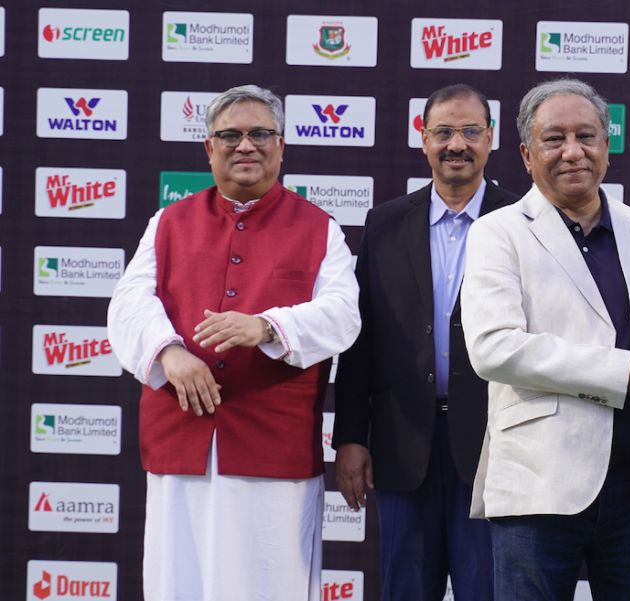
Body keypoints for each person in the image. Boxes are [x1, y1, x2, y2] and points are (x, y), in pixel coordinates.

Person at [107, 84, 361, 600]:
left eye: (260, 134)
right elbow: (128, 302)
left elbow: (342, 314)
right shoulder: (168, 222)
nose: (246, 146)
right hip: (183, 440)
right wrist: (168, 352)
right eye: (230, 135)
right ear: (209, 147)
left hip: (273, 447)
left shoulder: (319, 228)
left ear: (282, 145)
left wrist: (268, 326)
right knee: (180, 580)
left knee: (268, 584)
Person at [459, 78, 630, 601]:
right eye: (553, 139)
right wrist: (619, 371)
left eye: (586, 136)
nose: (572, 152)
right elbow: (494, 346)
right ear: (525, 153)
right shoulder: (498, 232)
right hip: (540, 485)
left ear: (607, 145)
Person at [332, 84, 519, 601]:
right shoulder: (385, 223)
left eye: (469, 131)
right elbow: (358, 340)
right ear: (423, 139)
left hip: (496, 447)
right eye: (443, 132)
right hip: (401, 446)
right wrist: (351, 437)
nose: (456, 144)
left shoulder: (524, 221)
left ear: (491, 139)